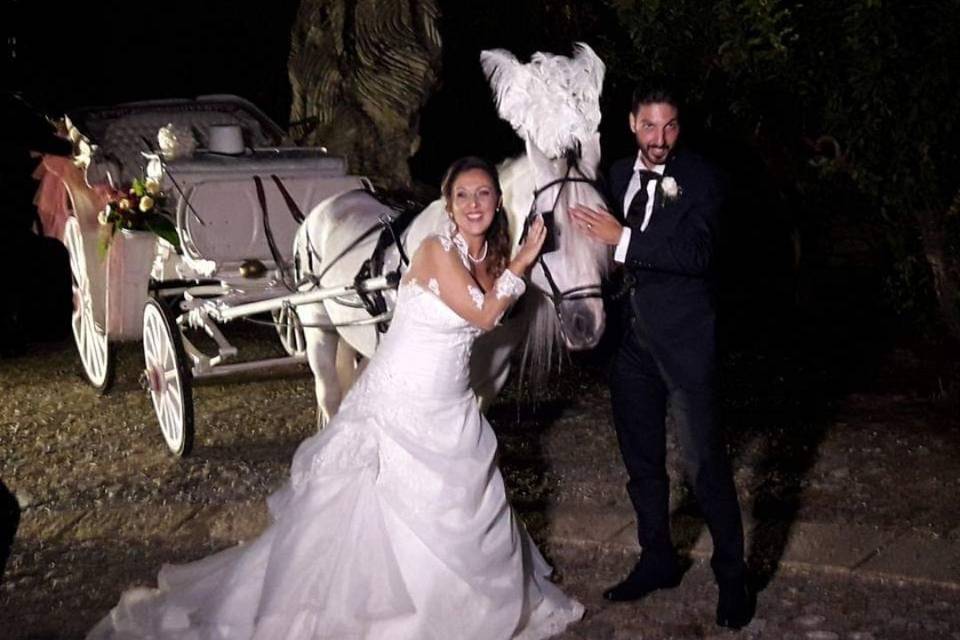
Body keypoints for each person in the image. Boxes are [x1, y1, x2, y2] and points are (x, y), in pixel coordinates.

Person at [88, 156, 584, 639]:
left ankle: (460, 606)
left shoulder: (483, 256)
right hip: (403, 399)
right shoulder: (436, 250)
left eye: (484, 194)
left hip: (449, 405)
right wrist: (524, 258)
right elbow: (484, 315)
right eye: (462, 195)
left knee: (458, 507)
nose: (474, 204)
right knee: (381, 508)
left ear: (499, 203)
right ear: (447, 204)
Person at [569, 82, 754, 629]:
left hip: (685, 343)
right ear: (631, 124)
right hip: (629, 346)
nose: (659, 138)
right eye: (649, 126)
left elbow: (696, 253)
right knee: (642, 464)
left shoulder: (701, 177)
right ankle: (657, 561)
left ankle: (733, 579)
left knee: (705, 467)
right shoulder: (618, 174)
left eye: (669, 126)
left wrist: (621, 237)